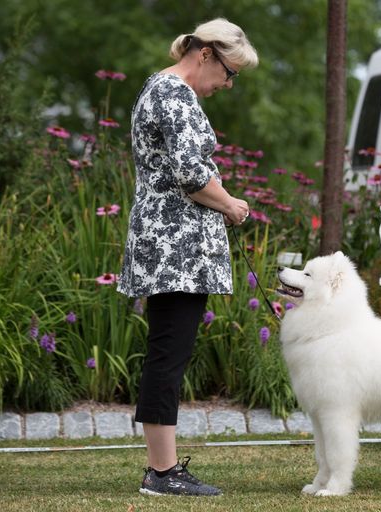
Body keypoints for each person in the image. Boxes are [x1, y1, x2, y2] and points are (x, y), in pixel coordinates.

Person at [117, 18, 258, 496]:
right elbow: (192, 175)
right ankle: (162, 473)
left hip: (170, 244)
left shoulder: (157, 87)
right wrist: (233, 206)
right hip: (175, 246)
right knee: (168, 355)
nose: (228, 83)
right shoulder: (175, 94)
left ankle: (163, 468)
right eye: (229, 71)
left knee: (167, 352)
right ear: (206, 54)